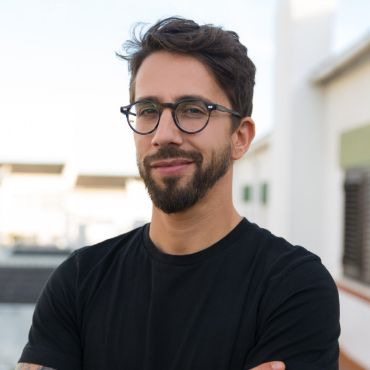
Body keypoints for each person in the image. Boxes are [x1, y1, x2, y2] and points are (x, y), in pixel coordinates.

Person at [17, 17, 340, 370]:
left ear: (240, 137)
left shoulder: (293, 288)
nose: (164, 134)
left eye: (192, 110)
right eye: (148, 111)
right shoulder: (78, 281)